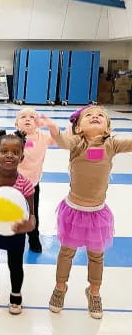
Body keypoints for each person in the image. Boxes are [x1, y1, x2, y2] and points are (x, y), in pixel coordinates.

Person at [41, 105, 132, 319]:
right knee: (66, 252)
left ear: (108, 128)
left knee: (96, 255)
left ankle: (94, 291)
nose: (95, 116)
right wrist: (54, 131)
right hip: (74, 211)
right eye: (89, 115)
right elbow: (63, 141)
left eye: (101, 115)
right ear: (79, 127)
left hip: (97, 213)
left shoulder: (112, 144)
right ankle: (60, 287)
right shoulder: (77, 143)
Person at [0, 108, 56, 253]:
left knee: (33, 214)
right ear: (16, 123)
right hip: (12, 185)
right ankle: (3, 232)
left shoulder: (43, 138)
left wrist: (54, 126)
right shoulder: (13, 139)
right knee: (8, 209)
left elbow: (59, 139)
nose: (28, 119)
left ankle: (34, 239)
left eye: (32, 117)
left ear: (38, 123)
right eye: (23, 117)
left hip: (32, 185)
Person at [0, 130, 36, 315]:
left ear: (22, 156)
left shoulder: (25, 184)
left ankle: (16, 294)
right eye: (4, 151)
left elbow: (32, 215)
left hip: (16, 232)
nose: (10, 155)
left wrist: (28, 226)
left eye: (15, 152)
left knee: (15, 264)